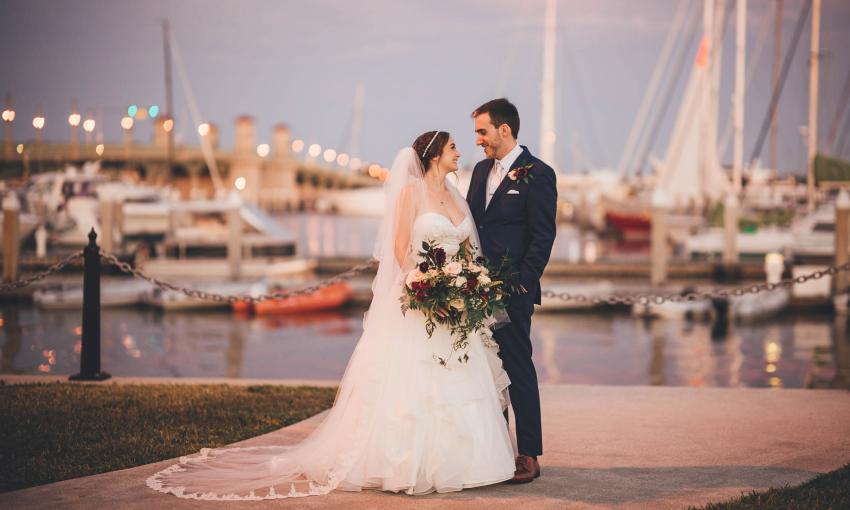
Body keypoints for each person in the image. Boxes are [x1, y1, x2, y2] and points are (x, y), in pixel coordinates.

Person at [146, 131, 517, 500]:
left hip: (458, 304)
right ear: (436, 154)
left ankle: (469, 464)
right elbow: (401, 247)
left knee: (460, 383)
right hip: (423, 299)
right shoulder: (409, 195)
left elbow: (468, 251)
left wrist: (468, 283)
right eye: (453, 147)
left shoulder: (456, 196)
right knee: (414, 387)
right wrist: (424, 284)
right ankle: (406, 466)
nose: (459, 153)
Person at [466, 98, 558, 483]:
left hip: (513, 293)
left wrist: (522, 280)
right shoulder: (480, 171)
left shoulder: (538, 173)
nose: (478, 141)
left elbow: (543, 235)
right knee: (486, 373)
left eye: (482, 132)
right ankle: (498, 451)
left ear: (505, 130)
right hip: (474, 292)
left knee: (517, 369)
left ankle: (529, 455)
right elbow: (474, 224)